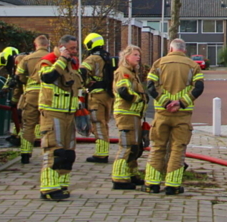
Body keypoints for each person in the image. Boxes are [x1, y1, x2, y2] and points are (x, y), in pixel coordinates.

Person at [143, 38, 204, 195]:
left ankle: (152, 184)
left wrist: (166, 102)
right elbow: (198, 88)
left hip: (162, 114)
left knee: (157, 147)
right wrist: (181, 103)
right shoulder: (193, 66)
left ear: (170, 49)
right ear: (184, 50)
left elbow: (150, 86)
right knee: (178, 149)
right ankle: (173, 185)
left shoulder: (158, 63)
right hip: (182, 115)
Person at [37, 35, 82, 201]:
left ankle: (62, 184)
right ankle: (48, 187)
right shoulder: (48, 60)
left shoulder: (72, 63)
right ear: (62, 48)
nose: (74, 52)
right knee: (54, 151)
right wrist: (62, 59)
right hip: (52, 111)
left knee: (68, 153)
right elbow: (47, 77)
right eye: (71, 49)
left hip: (69, 113)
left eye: (75, 48)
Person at [111, 44, 147, 190]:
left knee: (135, 146)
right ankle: (119, 178)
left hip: (134, 115)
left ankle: (131, 174)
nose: (138, 58)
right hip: (125, 114)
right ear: (126, 57)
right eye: (135, 55)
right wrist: (137, 99)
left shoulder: (133, 73)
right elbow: (123, 91)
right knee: (126, 146)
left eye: (139, 55)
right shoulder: (123, 72)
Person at [79, 32, 116, 164]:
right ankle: (103, 151)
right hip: (108, 95)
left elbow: (82, 72)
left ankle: (101, 154)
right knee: (104, 123)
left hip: (96, 96)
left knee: (97, 123)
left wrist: (85, 84)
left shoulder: (92, 58)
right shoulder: (108, 57)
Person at [15, 35, 50, 164]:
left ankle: (25, 153)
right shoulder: (52, 58)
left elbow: (19, 76)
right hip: (47, 94)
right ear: (47, 45)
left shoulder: (26, 58)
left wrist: (28, 82)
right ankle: (47, 152)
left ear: (36, 45)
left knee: (28, 124)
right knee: (47, 124)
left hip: (31, 95)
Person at [0, 46, 24, 146]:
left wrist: (14, 100)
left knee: (23, 114)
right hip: (26, 94)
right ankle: (17, 134)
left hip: (29, 94)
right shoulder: (14, 67)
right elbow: (10, 79)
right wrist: (3, 90)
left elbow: (17, 84)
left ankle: (30, 137)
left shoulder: (21, 64)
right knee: (19, 114)